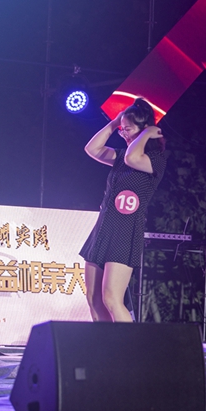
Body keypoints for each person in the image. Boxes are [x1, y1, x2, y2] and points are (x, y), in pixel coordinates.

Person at [80, 98, 166, 322]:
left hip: (125, 233)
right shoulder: (120, 157)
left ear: (143, 128)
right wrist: (114, 123)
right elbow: (92, 149)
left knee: (111, 299)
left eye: (128, 129)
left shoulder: (155, 160)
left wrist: (146, 134)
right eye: (122, 129)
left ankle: (130, 344)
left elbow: (132, 157)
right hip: (104, 229)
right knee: (93, 298)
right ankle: (105, 342)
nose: (123, 133)